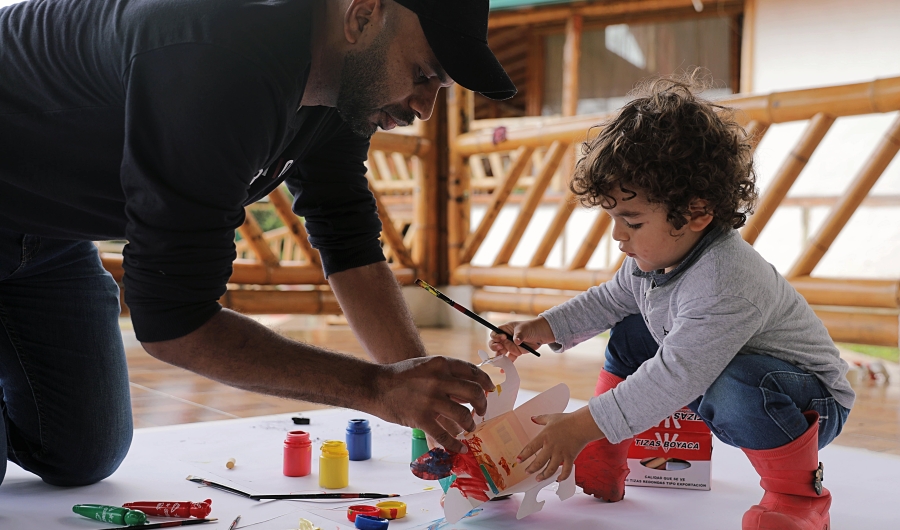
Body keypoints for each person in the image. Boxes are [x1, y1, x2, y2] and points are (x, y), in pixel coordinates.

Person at [0, 0, 515, 487]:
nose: (426, 107)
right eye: (424, 74)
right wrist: (379, 389)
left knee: (80, 454)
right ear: (362, 15)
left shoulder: (341, 82)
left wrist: (424, 398)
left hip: (50, 238)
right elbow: (172, 323)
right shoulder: (219, 59)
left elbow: (348, 237)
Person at [488, 74, 853, 530]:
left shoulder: (725, 280)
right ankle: (603, 452)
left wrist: (580, 424)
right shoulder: (652, 259)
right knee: (632, 328)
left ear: (697, 213)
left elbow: (675, 376)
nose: (618, 235)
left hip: (804, 401)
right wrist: (543, 327)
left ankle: (797, 497)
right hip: (717, 367)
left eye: (632, 221)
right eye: (613, 218)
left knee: (732, 384)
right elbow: (609, 300)